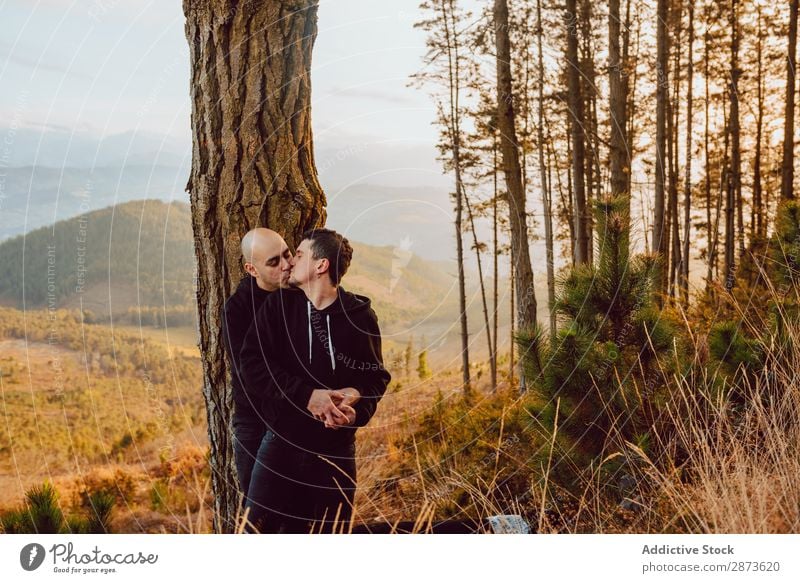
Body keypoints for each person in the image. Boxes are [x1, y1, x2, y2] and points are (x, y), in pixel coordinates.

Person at [239, 228, 391, 533]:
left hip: (335, 453)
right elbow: (252, 365)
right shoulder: (279, 307)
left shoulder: (359, 316)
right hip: (280, 446)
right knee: (255, 534)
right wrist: (308, 396)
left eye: (299, 254)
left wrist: (354, 403)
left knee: (329, 536)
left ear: (321, 266)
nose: (290, 262)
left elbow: (376, 379)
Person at [221, 228, 292, 512]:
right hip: (256, 424)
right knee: (259, 517)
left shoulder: (299, 295)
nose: (286, 265)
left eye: (287, 253)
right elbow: (249, 375)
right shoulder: (237, 310)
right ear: (252, 269)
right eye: (273, 262)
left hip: (298, 422)